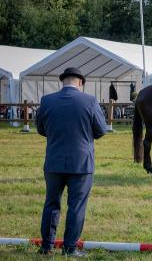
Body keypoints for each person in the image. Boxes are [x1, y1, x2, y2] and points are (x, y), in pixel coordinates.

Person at [35, 67, 107, 257]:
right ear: (80, 82)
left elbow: (41, 129)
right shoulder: (90, 101)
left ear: (63, 81)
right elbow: (101, 130)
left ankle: (47, 246)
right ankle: (69, 248)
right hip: (81, 163)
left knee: (51, 203)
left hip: (54, 160)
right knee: (76, 206)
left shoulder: (47, 100)